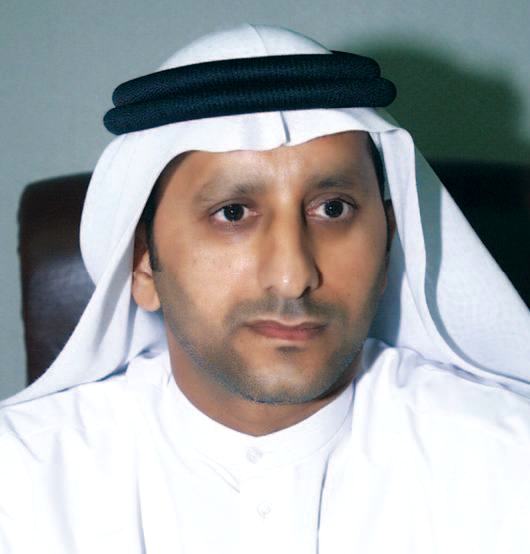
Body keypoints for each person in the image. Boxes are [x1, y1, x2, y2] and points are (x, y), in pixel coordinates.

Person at [1, 23, 529, 553]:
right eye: (233, 213)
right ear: (141, 263)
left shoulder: (507, 466)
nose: (293, 277)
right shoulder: (20, 479)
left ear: (389, 242)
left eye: (333, 209)